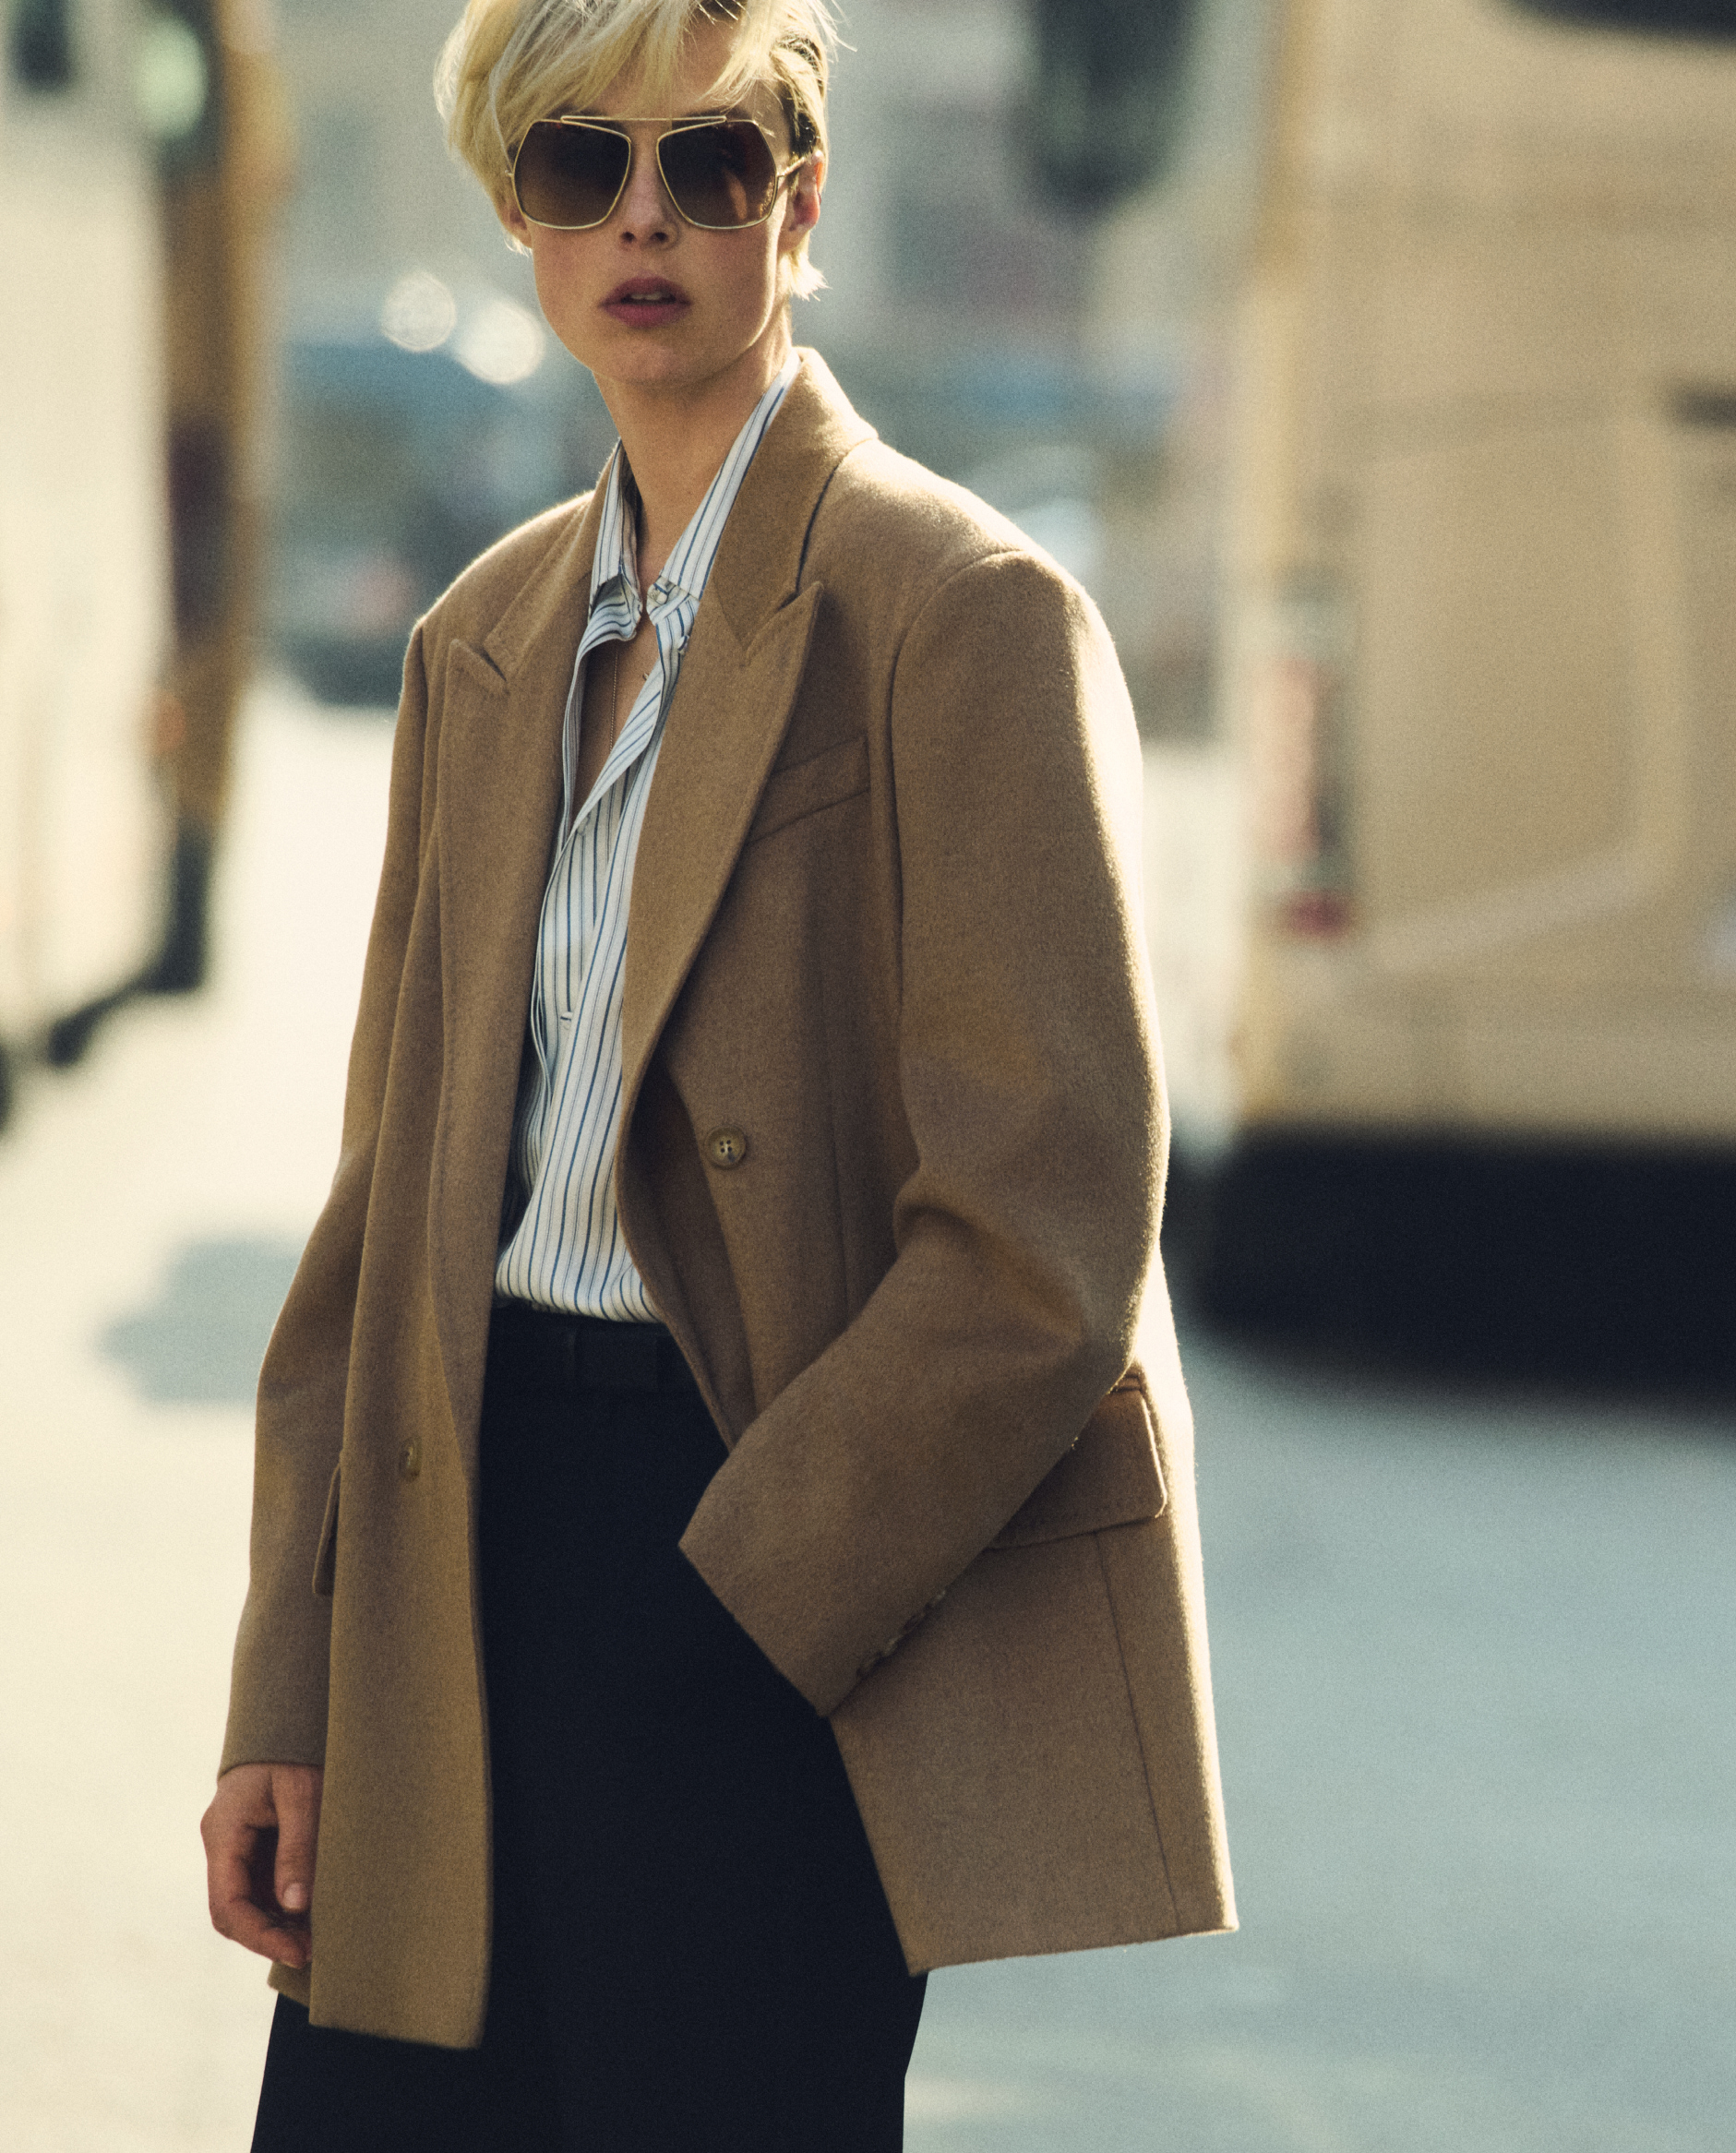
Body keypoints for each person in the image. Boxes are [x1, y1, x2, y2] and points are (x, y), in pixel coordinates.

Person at [200, 1, 1236, 2145]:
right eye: (584, 166)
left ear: (805, 200)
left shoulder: (954, 614)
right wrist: (287, 1691)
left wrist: (748, 1597)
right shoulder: (478, 642)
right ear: (517, 209)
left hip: (764, 1569)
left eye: (713, 163)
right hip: (452, 1559)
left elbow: (1045, 1226)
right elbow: (380, 1220)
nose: (645, 216)